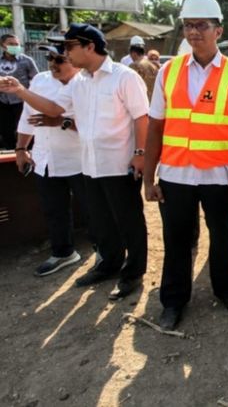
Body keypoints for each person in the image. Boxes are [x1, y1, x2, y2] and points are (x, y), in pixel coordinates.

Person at [0, 24, 149, 300]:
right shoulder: (80, 82)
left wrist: (140, 154)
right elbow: (57, 110)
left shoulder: (124, 77)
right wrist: (20, 92)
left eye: (69, 47)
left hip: (119, 164)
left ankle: (133, 273)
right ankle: (110, 264)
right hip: (89, 164)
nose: (65, 54)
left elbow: (142, 117)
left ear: (90, 47)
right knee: (101, 221)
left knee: (128, 221)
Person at [143, 0, 228, 331]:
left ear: (218, 31)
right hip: (176, 174)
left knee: (221, 236)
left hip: (219, 176)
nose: (194, 32)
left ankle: (226, 291)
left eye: (201, 25)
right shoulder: (169, 71)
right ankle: (174, 301)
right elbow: (155, 126)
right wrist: (149, 178)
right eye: (188, 26)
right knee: (177, 239)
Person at [15, 43, 88, 277]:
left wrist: (62, 122)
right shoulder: (40, 81)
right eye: (50, 58)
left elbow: (92, 125)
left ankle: (106, 253)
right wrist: (21, 148)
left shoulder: (85, 83)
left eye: (59, 59)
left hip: (78, 159)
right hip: (45, 159)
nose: (53, 64)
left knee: (94, 210)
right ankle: (63, 252)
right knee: (53, 209)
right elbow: (28, 116)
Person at [0, 33, 38, 149]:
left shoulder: (26, 61)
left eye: (17, 44)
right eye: (11, 44)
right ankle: (10, 154)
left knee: (24, 129)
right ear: (3, 45)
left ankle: (26, 151)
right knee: (5, 130)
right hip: (3, 102)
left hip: (22, 102)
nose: (15, 46)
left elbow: (36, 79)